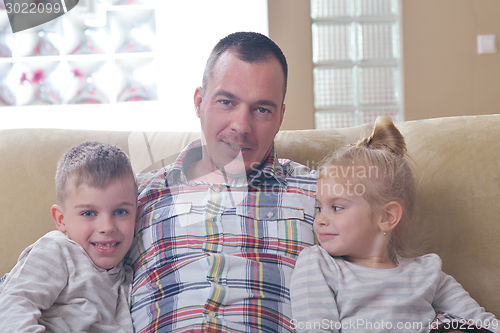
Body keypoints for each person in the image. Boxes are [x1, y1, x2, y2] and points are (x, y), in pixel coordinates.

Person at [127, 32, 317, 332]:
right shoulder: (134, 196)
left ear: (280, 117)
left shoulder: (322, 194)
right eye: (226, 102)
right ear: (200, 102)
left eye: (262, 109)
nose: (241, 126)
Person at [289, 116, 499, 333]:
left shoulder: (427, 272)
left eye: (337, 208)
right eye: (320, 207)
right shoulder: (319, 264)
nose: (320, 219)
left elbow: (485, 324)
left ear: (387, 217)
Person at [0, 141, 137, 333]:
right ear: (61, 219)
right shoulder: (58, 250)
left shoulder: (129, 278)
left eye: (121, 212)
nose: (107, 227)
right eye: (89, 213)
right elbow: (11, 307)